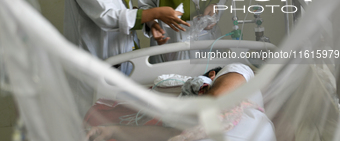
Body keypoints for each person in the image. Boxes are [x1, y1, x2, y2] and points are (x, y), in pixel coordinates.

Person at [85, 63, 276, 141]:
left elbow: (215, 101)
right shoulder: (194, 113)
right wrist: (113, 129)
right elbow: (172, 133)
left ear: (213, 74)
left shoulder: (237, 69)